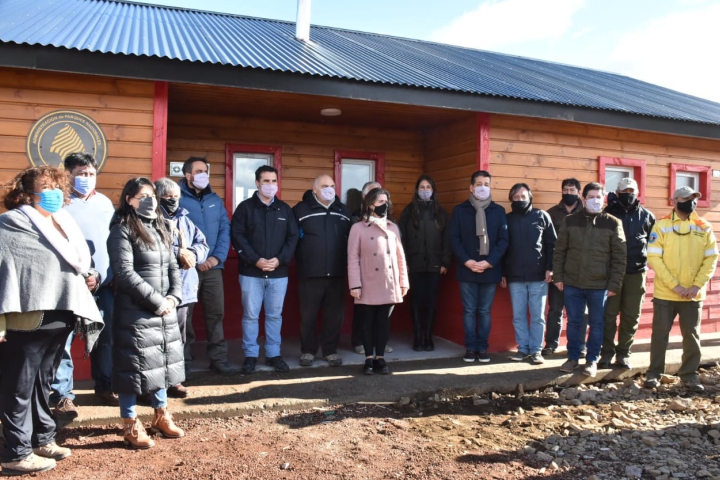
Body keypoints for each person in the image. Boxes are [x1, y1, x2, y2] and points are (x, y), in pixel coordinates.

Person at [0, 166, 103, 475]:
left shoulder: (63, 223)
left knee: (43, 382)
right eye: (46, 189)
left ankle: (42, 438)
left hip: (62, 312)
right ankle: (16, 452)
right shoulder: (10, 223)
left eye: (58, 188)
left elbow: (77, 263)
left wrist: (92, 275)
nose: (54, 195)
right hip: (26, 316)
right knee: (19, 385)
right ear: (25, 193)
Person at [108, 177, 185, 449]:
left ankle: (161, 416)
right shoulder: (122, 229)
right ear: (129, 199)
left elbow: (174, 266)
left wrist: (175, 296)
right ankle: (130, 424)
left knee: (160, 365)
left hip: (164, 310)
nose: (150, 200)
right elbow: (124, 274)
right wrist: (156, 302)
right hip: (136, 313)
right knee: (133, 369)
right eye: (142, 195)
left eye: (152, 195)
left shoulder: (162, 227)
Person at [50, 154, 117, 426]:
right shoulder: (59, 203)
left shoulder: (104, 203)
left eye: (90, 173)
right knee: (63, 341)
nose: (86, 178)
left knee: (104, 337)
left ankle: (104, 385)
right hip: (67, 285)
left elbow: (113, 244)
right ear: (68, 174)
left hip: (104, 284)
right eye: (80, 172)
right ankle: (63, 396)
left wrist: (106, 276)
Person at [644, 186, 718, 392]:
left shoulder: (704, 226)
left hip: (693, 295)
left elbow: (711, 258)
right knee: (660, 335)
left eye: (694, 198)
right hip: (665, 293)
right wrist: (674, 285)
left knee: (692, 336)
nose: (691, 201)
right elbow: (654, 258)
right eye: (686, 198)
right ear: (674, 201)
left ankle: (690, 375)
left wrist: (696, 285)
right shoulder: (661, 226)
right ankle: (654, 374)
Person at [553, 182, 626, 378]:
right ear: (583, 199)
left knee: (597, 323)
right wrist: (558, 276)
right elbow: (560, 251)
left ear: (604, 199)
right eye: (591, 197)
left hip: (599, 284)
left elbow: (620, 257)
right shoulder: (570, 220)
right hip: (572, 282)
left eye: (598, 197)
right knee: (575, 322)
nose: (595, 200)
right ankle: (573, 357)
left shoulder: (613, 222)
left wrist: (614, 284)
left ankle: (592, 360)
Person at [231, 165, 299, 374]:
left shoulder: (285, 210)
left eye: (273, 181)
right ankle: (250, 355)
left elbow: (293, 237)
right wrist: (255, 260)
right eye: (266, 181)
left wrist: (280, 260)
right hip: (251, 272)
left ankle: (273, 354)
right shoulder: (245, 208)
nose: (270, 185)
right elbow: (237, 236)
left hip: (278, 274)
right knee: (250, 316)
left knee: (274, 316)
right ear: (257, 183)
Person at [178, 158, 237, 375]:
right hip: (187, 268)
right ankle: (183, 362)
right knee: (185, 316)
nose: (204, 174)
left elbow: (225, 229)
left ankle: (218, 359)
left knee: (216, 313)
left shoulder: (215, 200)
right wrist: (192, 258)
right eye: (199, 171)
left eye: (206, 171)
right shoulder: (177, 198)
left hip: (214, 267)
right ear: (188, 175)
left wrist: (216, 258)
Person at [156, 177, 210, 397]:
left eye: (175, 197)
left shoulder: (185, 219)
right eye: (167, 197)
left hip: (184, 289)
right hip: (159, 290)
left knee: (179, 338)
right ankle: (157, 383)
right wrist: (178, 253)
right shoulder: (151, 219)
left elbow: (202, 244)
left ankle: (175, 381)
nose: (172, 201)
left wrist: (193, 254)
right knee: (158, 339)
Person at [348, 187, 409, 375]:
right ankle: (368, 359)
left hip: (388, 282)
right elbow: (352, 258)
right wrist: (355, 284)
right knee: (367, 322)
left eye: (386, 202)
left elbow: (400, 257)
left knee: (383, 322)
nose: (384, 205)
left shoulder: (393, 227)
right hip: (367, 282)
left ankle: (380, 358)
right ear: (370, 204)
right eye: (380, 202)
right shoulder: (358, 228)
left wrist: (403, 282)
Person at [293, 174, 352, 367]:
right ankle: (308, 351)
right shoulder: (301, 210)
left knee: (334, 315)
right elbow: (291, 240)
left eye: (332, 185)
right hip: (310, 274)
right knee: (308, 316)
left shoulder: (343, 211)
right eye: (325, 185)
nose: (329, 189)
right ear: (315, 189)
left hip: (336, 273)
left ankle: (330, 350)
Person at [449, 170, 508, 363]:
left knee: (484, 311)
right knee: (469, 310)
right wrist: (467, 261)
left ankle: (482, 348)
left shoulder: (498, 211)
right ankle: (470, 347)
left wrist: (489, 262)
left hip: (490, 270)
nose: (483, 187)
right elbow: (454, 239)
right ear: (471, 187)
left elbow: (503, 240)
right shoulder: (460, 210)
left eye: (486, 184)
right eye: (479, 183)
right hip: (467, 269)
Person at [600, 178, 655, 370]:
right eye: (624, 191)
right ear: (617, 192)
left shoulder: (647, 216)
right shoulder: (605, 215)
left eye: (631, 190)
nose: (628, 194)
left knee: (631, 316)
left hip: (636, 273)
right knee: (608, 316)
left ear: (638, 193)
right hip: (611, 274)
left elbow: (654, 245)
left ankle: (623, 354)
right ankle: (606, 354)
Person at [500, 183, 556, 365]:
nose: (520, 200)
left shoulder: (542, 216)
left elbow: (552, 245)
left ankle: (536, 350)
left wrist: (550, 267)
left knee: (538, 316)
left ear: (530, 197)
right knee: (518, 315)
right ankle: (523, 349)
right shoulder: (507, 220)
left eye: (523, 197)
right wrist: (502, 272)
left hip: (539, 276)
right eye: (516, 197)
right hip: (515, 277)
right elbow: (502, 248)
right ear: (511, 199)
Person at [399, 175, 451, 351]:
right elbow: (402, 239)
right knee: (416, 302)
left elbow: (447, 239)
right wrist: (404, 262)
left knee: (431, 302)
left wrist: (445, 261)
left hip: (435, 266)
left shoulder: (440, 212)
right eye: (422, 187)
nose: (425, 190)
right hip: (414, 265)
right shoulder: (408, 211)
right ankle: (418, 337)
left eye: (428, 187)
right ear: (417, 190)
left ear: (433, 190)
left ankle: (428, 337)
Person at [543, 178, 587, 357]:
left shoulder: (587, 213)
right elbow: (546, 244)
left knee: (580, 312)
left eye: (572, 190)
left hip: (581, 271)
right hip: (558, 269)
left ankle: (579, 345)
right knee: (555, 309)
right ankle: (551, 344)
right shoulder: (551, 214)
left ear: (579, 192)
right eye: (565, 190)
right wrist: (549, 268)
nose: (568, 193)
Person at [350, 181, 393, 354]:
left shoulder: (391, 223)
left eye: (384, 199)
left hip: (386, 276)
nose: (382, 202)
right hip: (365, 274)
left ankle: (381, 345)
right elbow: (353, 253)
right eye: (375, 195)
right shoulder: (355, 219)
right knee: (364, 315)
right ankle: (361, 343)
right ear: (366, 199)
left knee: (384, 316)